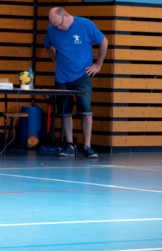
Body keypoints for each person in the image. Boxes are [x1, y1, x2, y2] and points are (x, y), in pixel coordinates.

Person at [44, 7, 108, 158]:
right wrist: (54, 58)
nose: (58, 28)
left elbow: (103, 41)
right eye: (55, 25)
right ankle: (70, 145)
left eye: (59, 24)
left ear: (65, 15)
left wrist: (98, 64)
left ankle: (87, 146)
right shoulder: (52, 29)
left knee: (86, 110)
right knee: (65, 112)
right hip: (62, 76)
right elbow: (47, 45)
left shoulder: (85, 25)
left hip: (82, 75)